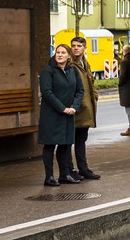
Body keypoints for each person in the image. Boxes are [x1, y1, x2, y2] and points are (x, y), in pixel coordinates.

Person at [38, 44, 82, 186]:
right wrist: (62, 108)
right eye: (58, 52)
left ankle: (65, 174)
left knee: (65, 145)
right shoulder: (48, 71)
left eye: (63, 52)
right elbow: (47, 93)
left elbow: (80, 91)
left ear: (69, 55)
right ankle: (49, 177)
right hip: (52, 114)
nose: (60, 55)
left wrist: (74, 107)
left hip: (69, 113)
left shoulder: (72, 70)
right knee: (50, 145)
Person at [68, 36, 102, 180]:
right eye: (73, 46)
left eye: (79, 46)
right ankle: (69, 170)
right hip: (75, 108)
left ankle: (83, 168)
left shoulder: (84, 63)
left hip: (85, 107)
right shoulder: (70, 64)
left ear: (84, 48)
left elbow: (90, 82)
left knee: (81, 139)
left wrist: (94, 95)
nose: (76, 48)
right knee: (68, 141)